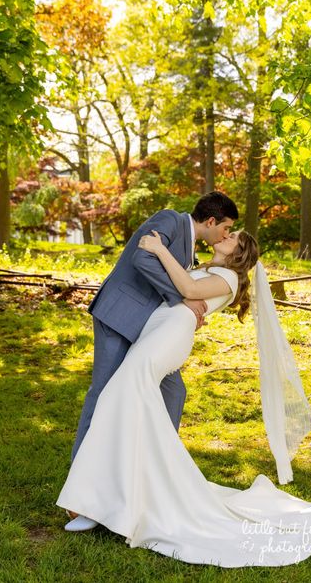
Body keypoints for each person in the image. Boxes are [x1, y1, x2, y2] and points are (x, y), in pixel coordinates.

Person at [57, 229, 311, 567]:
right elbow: (178, 291)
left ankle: (97, 502)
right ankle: (115, 497)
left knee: (116, 399)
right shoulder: (208, 267)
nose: (225, 235)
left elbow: (188, 290)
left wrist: (157, 248)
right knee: (128, 407)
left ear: (237, 253)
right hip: (157, 330)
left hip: (168, 337)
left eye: (232, 237)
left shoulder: (228, 277)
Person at [71, 191, 238, 462]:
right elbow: (143, 258)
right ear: (210, 221)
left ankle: (160, 464)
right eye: (226, 228)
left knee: (174, 391)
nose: (225, 235)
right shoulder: (169, 219)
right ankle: (79, 470)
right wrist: (182, 296)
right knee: (102, 390)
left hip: (148, 329)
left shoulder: (192, 248)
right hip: (119, 316)